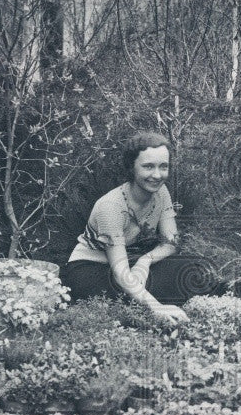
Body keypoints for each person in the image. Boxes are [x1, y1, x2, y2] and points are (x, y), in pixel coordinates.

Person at [60, 131, 195, 325]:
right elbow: (121, 273)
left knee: (189, 269)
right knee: (128, 291)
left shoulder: (161, 192)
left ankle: (145, 305)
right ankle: (149, 310)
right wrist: (155, 306)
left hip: (131, 263)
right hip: (90, 268)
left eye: (163, 167)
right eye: (148, 167)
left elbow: (171, 243)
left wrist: (145, 261)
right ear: (131, 168)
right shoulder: (111, 206)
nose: (157, 175)